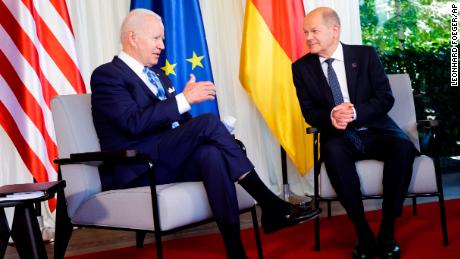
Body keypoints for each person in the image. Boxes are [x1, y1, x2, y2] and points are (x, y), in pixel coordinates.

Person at [90, 9, 319, 259]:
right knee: (208, 123)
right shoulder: (107, 75)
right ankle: (270, 204)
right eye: (156, 38)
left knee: (211, 154)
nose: (162, 45)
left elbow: (179, 124)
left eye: (163, 39)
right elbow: (132, 123)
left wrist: (184, 105)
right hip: (138, 167)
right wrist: (182, 100)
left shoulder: (159, 76)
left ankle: (236, 251)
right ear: (132, 37)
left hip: (166, 160)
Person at [292, 7, 418, 259]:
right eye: (305, 32)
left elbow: (385, 98)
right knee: (333, 151)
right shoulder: (301, 68)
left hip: (374, 128)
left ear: (334, 30)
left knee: (402, 147)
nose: (308, 38)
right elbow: (309, 112)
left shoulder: (365, 55)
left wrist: (355, 112)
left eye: (314, 31)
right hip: (338, 136)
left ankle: (387, 229)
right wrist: (331, 115)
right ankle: (362, 231)